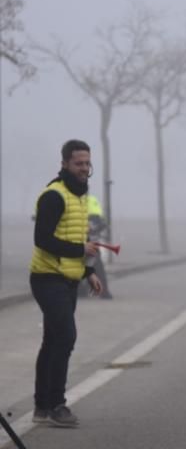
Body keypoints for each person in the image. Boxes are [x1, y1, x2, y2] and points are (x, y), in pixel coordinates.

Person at [30, 139, 103, 427]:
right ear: (64, 165)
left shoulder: (81, 196)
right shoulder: (53, 196)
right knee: (65, 337)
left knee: (52, 341)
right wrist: (80, 251)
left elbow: (75, 239)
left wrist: (89, 272)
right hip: (47, 277)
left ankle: (41, 406)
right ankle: (57, 405)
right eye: (78, 163)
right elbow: (42, 239)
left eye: (87, 163)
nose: (84, 169)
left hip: (69, 278)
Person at [79, 193, 113, 299]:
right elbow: (102, 222)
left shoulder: (75, 201)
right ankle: (104, 292)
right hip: (92, 238)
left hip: (83, 239)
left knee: (79, 264)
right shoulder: (92, 199)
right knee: (97, 267)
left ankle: (81, 291)